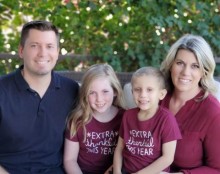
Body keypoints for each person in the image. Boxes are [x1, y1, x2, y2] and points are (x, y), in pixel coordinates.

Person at [0, 20, 79, 174]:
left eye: (49, 46)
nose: (43, 53)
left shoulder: (71, 90)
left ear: (57, 52)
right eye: (34, 45)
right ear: (21, 51)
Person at [160, 34, 220, 173]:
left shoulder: (212, 112)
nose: (185, 72)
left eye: (195, 66)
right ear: (171, 65)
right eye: (180, 63)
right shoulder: (157, 98)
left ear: (204, 71)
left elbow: (217, 169)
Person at [113, 66, 182, 174]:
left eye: (149, 90)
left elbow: (168, 158)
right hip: (126, 170)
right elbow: (120, 148)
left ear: (161, 94)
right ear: (132, 92)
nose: (142, 95)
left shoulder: (166, 119)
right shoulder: (128, 116)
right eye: (137, 89)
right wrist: (116, 172)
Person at [63, 63, 126, 174]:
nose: (99, 99)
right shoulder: (78, 120)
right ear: (85, 95)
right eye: (92, 93)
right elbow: (69, 160)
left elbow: (129, 155)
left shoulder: (126, 118)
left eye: (105, 91)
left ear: (115, 91)